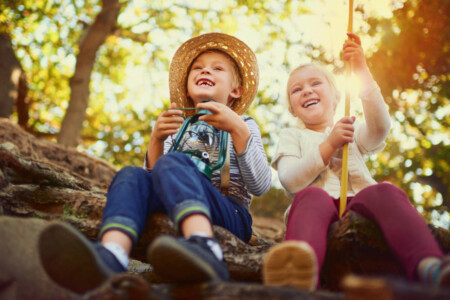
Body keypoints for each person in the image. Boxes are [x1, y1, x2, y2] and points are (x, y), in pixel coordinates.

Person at [39, 32, 272, 294]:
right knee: (130, 175)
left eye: (217, 68)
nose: (205, 70)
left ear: (235, 90)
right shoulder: (178, 127)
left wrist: (238, 131)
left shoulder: (246, 124)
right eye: (198, 68)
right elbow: (153, 181)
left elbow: (261, 185)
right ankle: (112, 255)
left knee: (172, 163)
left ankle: (205, 246)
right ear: (187, 87)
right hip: (179, 200)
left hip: (230, 211)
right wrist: (157, 140)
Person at [263, 32, 449, 291]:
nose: (306, 91)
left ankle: (430, 266)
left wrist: (362, 72)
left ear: (337, 96)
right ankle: (298, 280)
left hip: (361, 206)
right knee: (309, 197)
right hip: (316, 210)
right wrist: (329, 146)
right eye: (297, 89)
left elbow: (380, 128)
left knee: (384, 191)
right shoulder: (291, 135)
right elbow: (290, 180)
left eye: (316, 83)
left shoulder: (351, 127)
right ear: (293, 109)